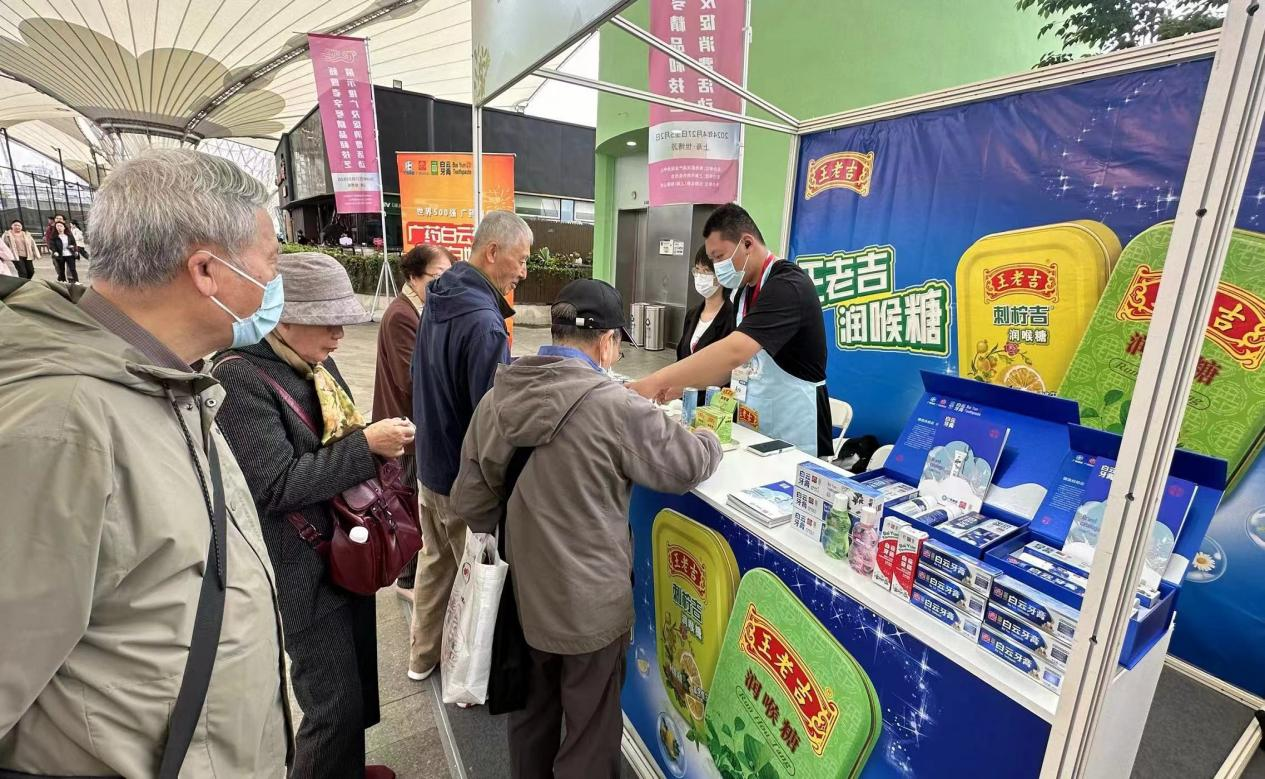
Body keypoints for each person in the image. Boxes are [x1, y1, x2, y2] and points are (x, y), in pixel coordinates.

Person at [0, 148, 290, 776]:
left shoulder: (163, 379)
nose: (277, 279)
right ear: (206, 271)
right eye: (271, 258)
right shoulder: (61, 422)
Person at [452, 279, 723, 778]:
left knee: (530, 718)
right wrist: (710, 435)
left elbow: (470, 502)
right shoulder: (615, 406)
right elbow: (687, 464)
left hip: (522, 602)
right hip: (591, 610)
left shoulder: (497, 397)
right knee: (591, 735)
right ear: (607, 342)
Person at [214, 251, 411, 779]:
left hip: (346, 543)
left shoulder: (312, 361)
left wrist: (371, 441)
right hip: (302, 566)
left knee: (358, 684)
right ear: (283, 316)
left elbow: (337, 436)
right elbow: (275, 486)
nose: (339, 336)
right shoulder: (240, 378)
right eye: (328, 322)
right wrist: (367, 446)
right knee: (331, 704)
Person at [407, 210, 532, 681]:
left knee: (435, 562)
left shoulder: (440, 294)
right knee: (475, 577)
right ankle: (468, 675)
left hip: (429, 462)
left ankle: (421, 657)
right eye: (521, 259)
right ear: (493, 252)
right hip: (463, 477)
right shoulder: (484, 322)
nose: (524, 272)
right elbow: (492, 417)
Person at [629, 203, 832, 456]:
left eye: (719, 257)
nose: (717, 267)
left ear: (747, 243)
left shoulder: (788, 285)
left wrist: (653, 382)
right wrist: (683, 386)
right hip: (755, 418)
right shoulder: (743, 291)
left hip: (794, 422)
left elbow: (734, 352)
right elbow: (731, 368)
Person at [372, 243, 453, 601]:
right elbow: (411, 377)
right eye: (437, 278)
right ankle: (406, 580)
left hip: (411, 423)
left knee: (410, 499)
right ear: (414, 276)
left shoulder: (419, 309)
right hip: (402, 427)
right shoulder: (402, 316)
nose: (442, 285)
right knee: (404, 501)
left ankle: (408, 575)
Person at [677, 244, 734, 360]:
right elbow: (681, 357)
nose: (700, 276)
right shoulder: (692, 314)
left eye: (706, 270)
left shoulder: (732, 317)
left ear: (721, 275)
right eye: (697, 269)